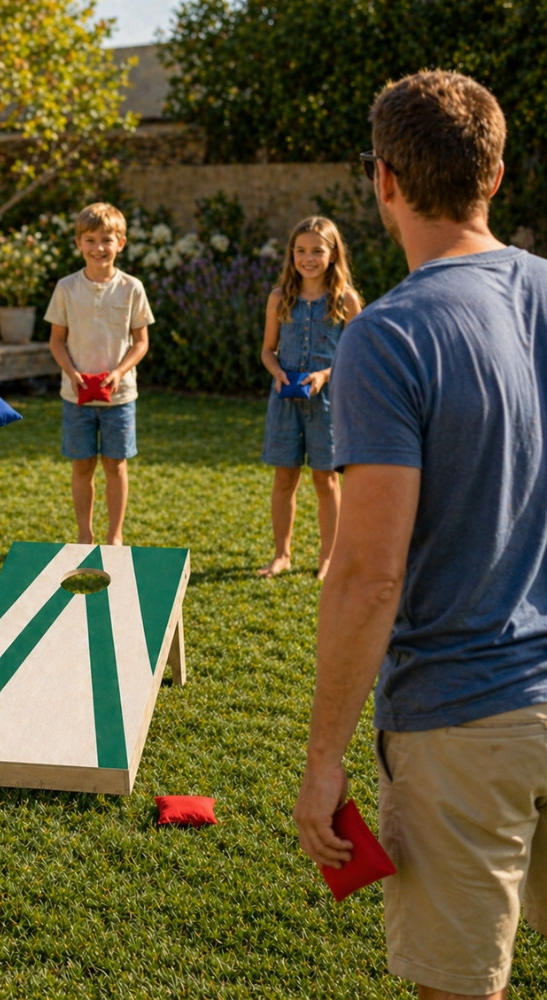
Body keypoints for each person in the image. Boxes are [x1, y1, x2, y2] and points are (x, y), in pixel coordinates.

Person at [293, 70, 547, 1000]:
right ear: (497, 174)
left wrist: (324, 765)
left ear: (384, 181)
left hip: (462, 721)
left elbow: (365, 574)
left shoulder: (391, 334)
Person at [258, 216, 361, 581]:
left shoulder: (345, 300)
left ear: (333, 255)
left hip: (329, 404)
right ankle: (281, 554)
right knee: (284, 478)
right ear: (291, 255)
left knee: (326, 481)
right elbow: (267, 351)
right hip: (284, 403)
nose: (308, 258)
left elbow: (355, 355)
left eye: (317, 250)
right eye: (300, 250)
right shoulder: (279, 298)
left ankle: (329, 558)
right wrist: (277, 372)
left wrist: (323, 376)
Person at [46, 202, 154, 545]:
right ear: (79, 243)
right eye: (90, 240)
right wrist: (72, 372)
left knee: (115, 466)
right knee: (82, 467)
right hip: (74, 395)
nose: (98, 248)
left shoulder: (132, 288)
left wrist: (120, 371)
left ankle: (114, 536)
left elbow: (141, 342)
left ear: (120, 243)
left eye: (106, 240)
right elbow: (57, 341)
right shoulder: (66, 288)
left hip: (120, 397)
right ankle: (84, 534)